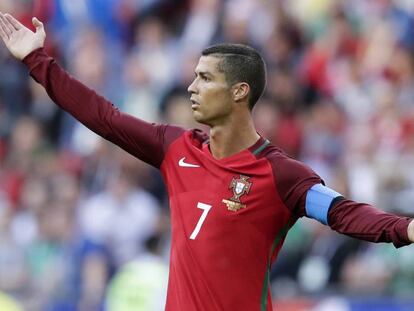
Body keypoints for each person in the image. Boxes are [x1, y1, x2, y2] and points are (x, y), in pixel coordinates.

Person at [0, 13, 413, 311]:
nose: (192, 87)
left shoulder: (281, 174)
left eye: (205, 78)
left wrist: (405, 228)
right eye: (194, 76)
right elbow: (104, 117)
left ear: (239, 91)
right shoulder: (175, 147)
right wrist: (38, 61)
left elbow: (342, 212)